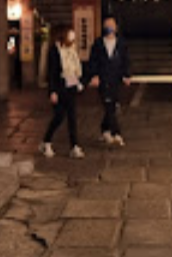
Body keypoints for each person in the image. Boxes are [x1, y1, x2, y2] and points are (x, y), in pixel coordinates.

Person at [39, 25, 85, 159]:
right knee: (59, 116)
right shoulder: (54, 50)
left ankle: (74, 146)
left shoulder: (72, 49)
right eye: (70, 33)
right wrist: (52, 91)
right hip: (59, 87)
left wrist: (78, 81)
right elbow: (52, 72)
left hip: (70, 86)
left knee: (72, 117)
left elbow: (75, 68)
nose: (72, 35)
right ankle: (46, 141)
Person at [87, 15, 131, 146]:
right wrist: (94, 75)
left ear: (116, 27)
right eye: (107, 25)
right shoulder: (98, 43)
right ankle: (116, 132)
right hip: (103, 78)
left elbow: (126, 61)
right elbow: (93, 61)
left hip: (116, 78)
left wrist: (127, 75)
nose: (109, 27)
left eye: (112, 25)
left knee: (113, 105)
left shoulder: (122, 44)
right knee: (108, 104)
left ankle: (105, 129)